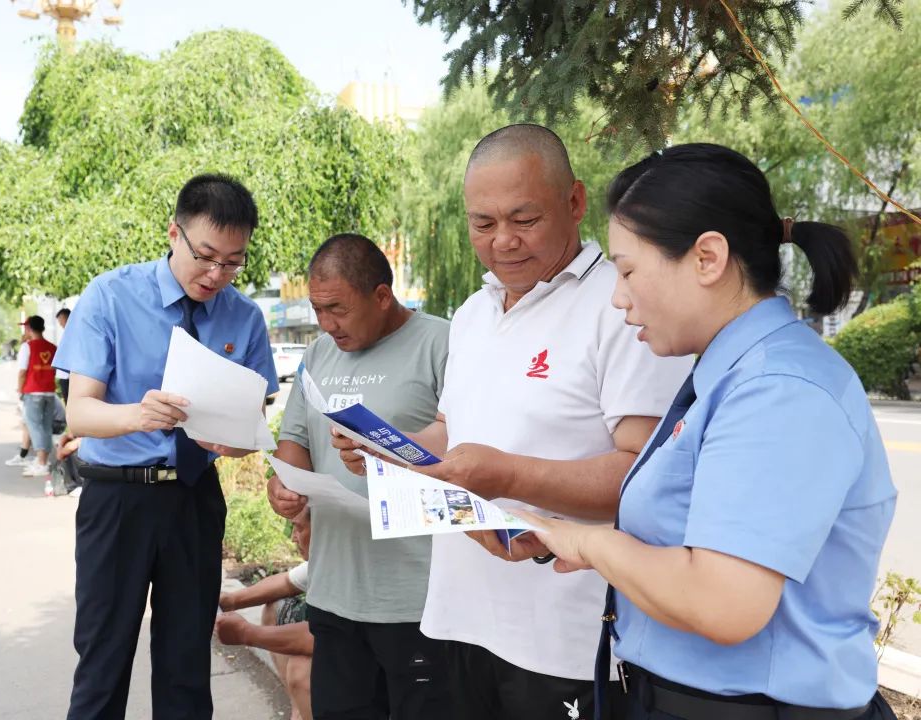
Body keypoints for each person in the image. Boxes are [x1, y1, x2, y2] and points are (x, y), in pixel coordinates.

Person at [512, 143, 898, 720]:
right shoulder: (729, 375)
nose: (618, 298)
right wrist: (564, 536)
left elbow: (723, 602)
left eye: (627, 271)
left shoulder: (779, 390)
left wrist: (590, 543)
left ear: (708, 258)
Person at [334, 124, 690, 720]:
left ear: (574, 201)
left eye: (524, 219)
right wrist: (390, 450)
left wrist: (505, 476)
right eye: (483, 223)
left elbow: (643, 475)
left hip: (567, 635)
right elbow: (451, 433)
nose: (503, 241)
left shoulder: (623, 304)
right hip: (459, 616)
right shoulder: (474, 313)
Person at [53, 173, 279, 720]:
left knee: (186, 668)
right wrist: (138, 414)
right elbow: (80, 411)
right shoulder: (110, 296)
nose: (216, 274)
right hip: (118, 501)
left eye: (233, 262)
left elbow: (252, 423)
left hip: (194, 500)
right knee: (103, 662)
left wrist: (234, 444)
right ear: (174, 233)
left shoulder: (244, 317)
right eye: (206, 256)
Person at [269, 233, 452, 720]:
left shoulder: (442, 343)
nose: (327, 324)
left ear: (382, 296)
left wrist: (391, 453)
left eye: (338, 309)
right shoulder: (317, 355)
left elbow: (469, 447)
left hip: (418, 599)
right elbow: (295, 440)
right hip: (334, 595)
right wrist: (285, 486)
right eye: (317, 309)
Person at [216, 509, 314, 720]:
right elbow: (286, 582)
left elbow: (320, 636)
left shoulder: (348, 568)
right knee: (276, 608)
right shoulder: (325, 559)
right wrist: (230, 601)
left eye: (298, 528)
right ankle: (298, 712)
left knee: (301, 673)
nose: (293, 537)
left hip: (368, 651)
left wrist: (246, 633)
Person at [17, 315, 57, 477]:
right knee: (46, 426)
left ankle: (41, 463)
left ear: (29, 329)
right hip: (49, 391)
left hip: (33, 391)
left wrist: (20, 390)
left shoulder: (27, 347)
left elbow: (22, 372)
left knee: (35, 427)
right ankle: (44, 461)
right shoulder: (53, 347)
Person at [55, 308, 72, 404]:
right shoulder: (65, 334)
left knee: (70, 403)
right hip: (64, 376)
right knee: (67, 402)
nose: (60, 323)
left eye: (61, 319)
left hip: (69, 376)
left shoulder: (74, 333)